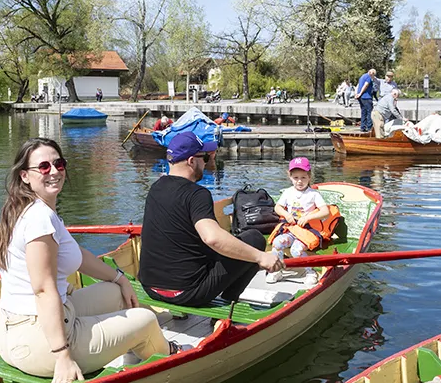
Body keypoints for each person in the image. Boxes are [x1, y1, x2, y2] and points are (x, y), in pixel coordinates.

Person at [0, 138, 175, 383]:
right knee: (145, 321)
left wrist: (119, 278)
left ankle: (133, 346)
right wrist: (62, 356)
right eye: (44, 167)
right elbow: (43, 290)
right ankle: (172, 356)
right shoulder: (39, 219)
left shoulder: (26, 208)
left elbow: (76, 255)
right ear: (25, 176)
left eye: (59, 163)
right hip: (40, 343)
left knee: (115, 293)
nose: (54, 171)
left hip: (13, 333)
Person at [138, 131, 284, 308]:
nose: (208, 162)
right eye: (205, 157)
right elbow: (212, 238)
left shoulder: (155, 188)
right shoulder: (197, 194)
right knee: (253, 238)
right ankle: (229, 300)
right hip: (188, 293)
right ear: (191, 161)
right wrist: (260, 257)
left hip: (150, 288)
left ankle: (179, 312)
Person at [267, 157, 329, 287]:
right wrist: (286, 214)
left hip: (307, 231)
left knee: (296, 249)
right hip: (291, 229)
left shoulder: (314, 194)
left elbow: (325, 212)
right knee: (278, 242)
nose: (299, 181)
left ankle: (310, 271)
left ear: (309, 177)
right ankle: (277, 270)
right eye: (296, 178)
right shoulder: (288, 192)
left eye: (303, 177)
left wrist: (308, 218)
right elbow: (277, 207)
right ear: (290, 177)